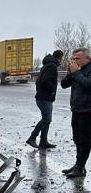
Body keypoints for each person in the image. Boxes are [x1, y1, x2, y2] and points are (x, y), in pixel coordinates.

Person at [60, 47, 91, 179]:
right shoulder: (76, 70)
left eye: (77, 58)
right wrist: (69, 73)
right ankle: (79, 165)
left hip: (88, 111)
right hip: (77, 109)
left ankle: (79, 167)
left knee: (85, 140)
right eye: (73, 59)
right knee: (77, 139)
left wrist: (77, 73)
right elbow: (63, 85)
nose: (74, 61)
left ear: (87, 58)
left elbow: (88, 84)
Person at [26, 49, 63, 149]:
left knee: (47, 120)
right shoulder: (52, 66)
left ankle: (43, 141)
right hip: (45, 97)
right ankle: (32, 138)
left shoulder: (47, 65)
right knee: (47, 119)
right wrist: (51, 90)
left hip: (43, 97)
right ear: (60, 58)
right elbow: (45, 81)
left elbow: (40, 81)